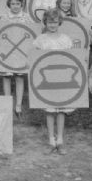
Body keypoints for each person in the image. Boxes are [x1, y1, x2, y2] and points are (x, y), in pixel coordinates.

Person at [32, 8, 74, 155]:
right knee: (49, 109)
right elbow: (34, 58)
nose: (52, 25)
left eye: (55, 22)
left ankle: (60, 140)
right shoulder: (40, 40)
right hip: (47, 80)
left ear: (59, 22)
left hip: (62, 79)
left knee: (61, 109)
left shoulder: (65, 39)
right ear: (45, 22)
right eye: (49, 22)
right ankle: (51, 139)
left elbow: (72, 59)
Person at [0, 0, 31, 121]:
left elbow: (31, 33)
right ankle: (7, 104)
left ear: (21, 4)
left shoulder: (27, 18)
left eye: (18, 3)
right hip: (7, 51)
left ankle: (18, 106)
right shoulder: (4, 18)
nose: (15, 6)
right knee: (6, 77)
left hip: (21, 52)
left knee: (19, 77)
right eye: (13, 4)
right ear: (8, 5)